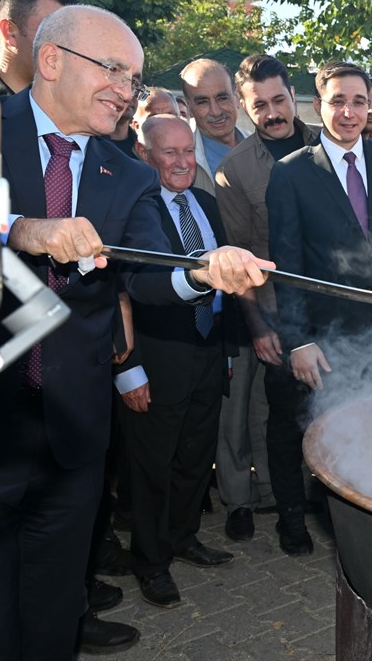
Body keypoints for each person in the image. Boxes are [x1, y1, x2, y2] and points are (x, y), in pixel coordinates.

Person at [0, 4, 269, 661]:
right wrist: (19, 230)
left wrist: (203, 272)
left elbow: (147, 274)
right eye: (112, 69)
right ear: (52, 59)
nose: (125, 89)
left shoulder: (129, 173)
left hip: (71, 444)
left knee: (53, 618)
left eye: (134, 77)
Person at [266, 62, 372, 554]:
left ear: (371, 108)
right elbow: (287, 264)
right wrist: (299, 341)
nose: (348, 112)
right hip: (330, 338)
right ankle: (330, 532)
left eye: (359, 102)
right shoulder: (291, 173)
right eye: (338, 101)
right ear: (317, 106)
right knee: (336, 438)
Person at [121, 116, 236, 608]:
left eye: (188, 151)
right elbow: (122, 290)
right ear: (144, 154)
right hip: (156, 361)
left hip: (208, 351)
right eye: (170, 152)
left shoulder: (206, 203)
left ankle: (184, 537)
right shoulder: (133, 210)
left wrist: (226, 350)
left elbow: (225, 283)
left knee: (194, 456)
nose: (183, 162)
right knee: (152, 468)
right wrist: (128, 370)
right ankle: (150, 563)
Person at [214, 54, 317, 543]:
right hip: (277, 314)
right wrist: (257, 326)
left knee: (335, 412)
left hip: (334, 307)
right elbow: (237, 258)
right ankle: (290, 518)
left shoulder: (327, 145)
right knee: (284, 420)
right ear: (244, 107)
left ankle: (329, 506)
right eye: (260, 105)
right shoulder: (234, 171)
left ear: (294, 96)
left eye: (279, 100)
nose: (273, 113)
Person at [0, 0, 79, 99]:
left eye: (69, 35)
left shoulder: (72, 108)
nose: (66, 46)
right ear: (9, 32)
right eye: (52, 30)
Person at [180, 59, 251, 195]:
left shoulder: (263, 146)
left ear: (236, 97)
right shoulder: (182, 162)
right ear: (189, 107)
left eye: (222, 98)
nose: (216, 111)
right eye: (202, 102)